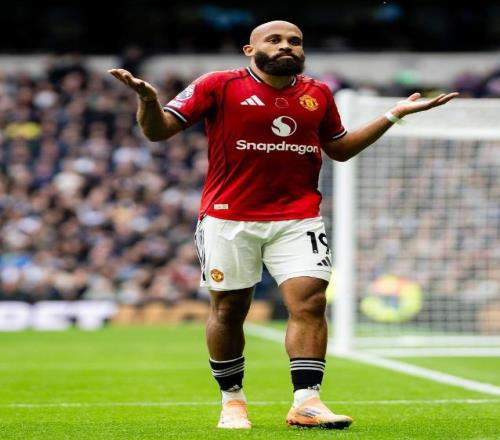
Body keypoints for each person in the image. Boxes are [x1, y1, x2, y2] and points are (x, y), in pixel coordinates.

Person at [109, 20, 458, 430]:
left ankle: (307, 402)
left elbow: (340, 149)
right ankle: (232, 400)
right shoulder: (218, 85)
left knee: (310, 302)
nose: (286, 46)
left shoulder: (317, 93)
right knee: (229, 310)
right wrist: (148, 101)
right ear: (249, 49)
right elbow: (157, 132)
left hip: (298, 217)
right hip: (228, 217)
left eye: (295, 41)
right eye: (274, 40)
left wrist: (393, 114)